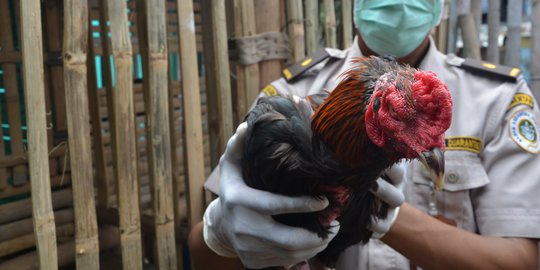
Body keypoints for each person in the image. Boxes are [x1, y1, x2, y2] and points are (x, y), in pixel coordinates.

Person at [188, 0, 540, 269]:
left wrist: (379, 212)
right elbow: (202, 258)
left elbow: (524, 259)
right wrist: (219, 234)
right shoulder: (286, 97)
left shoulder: (496, 98)